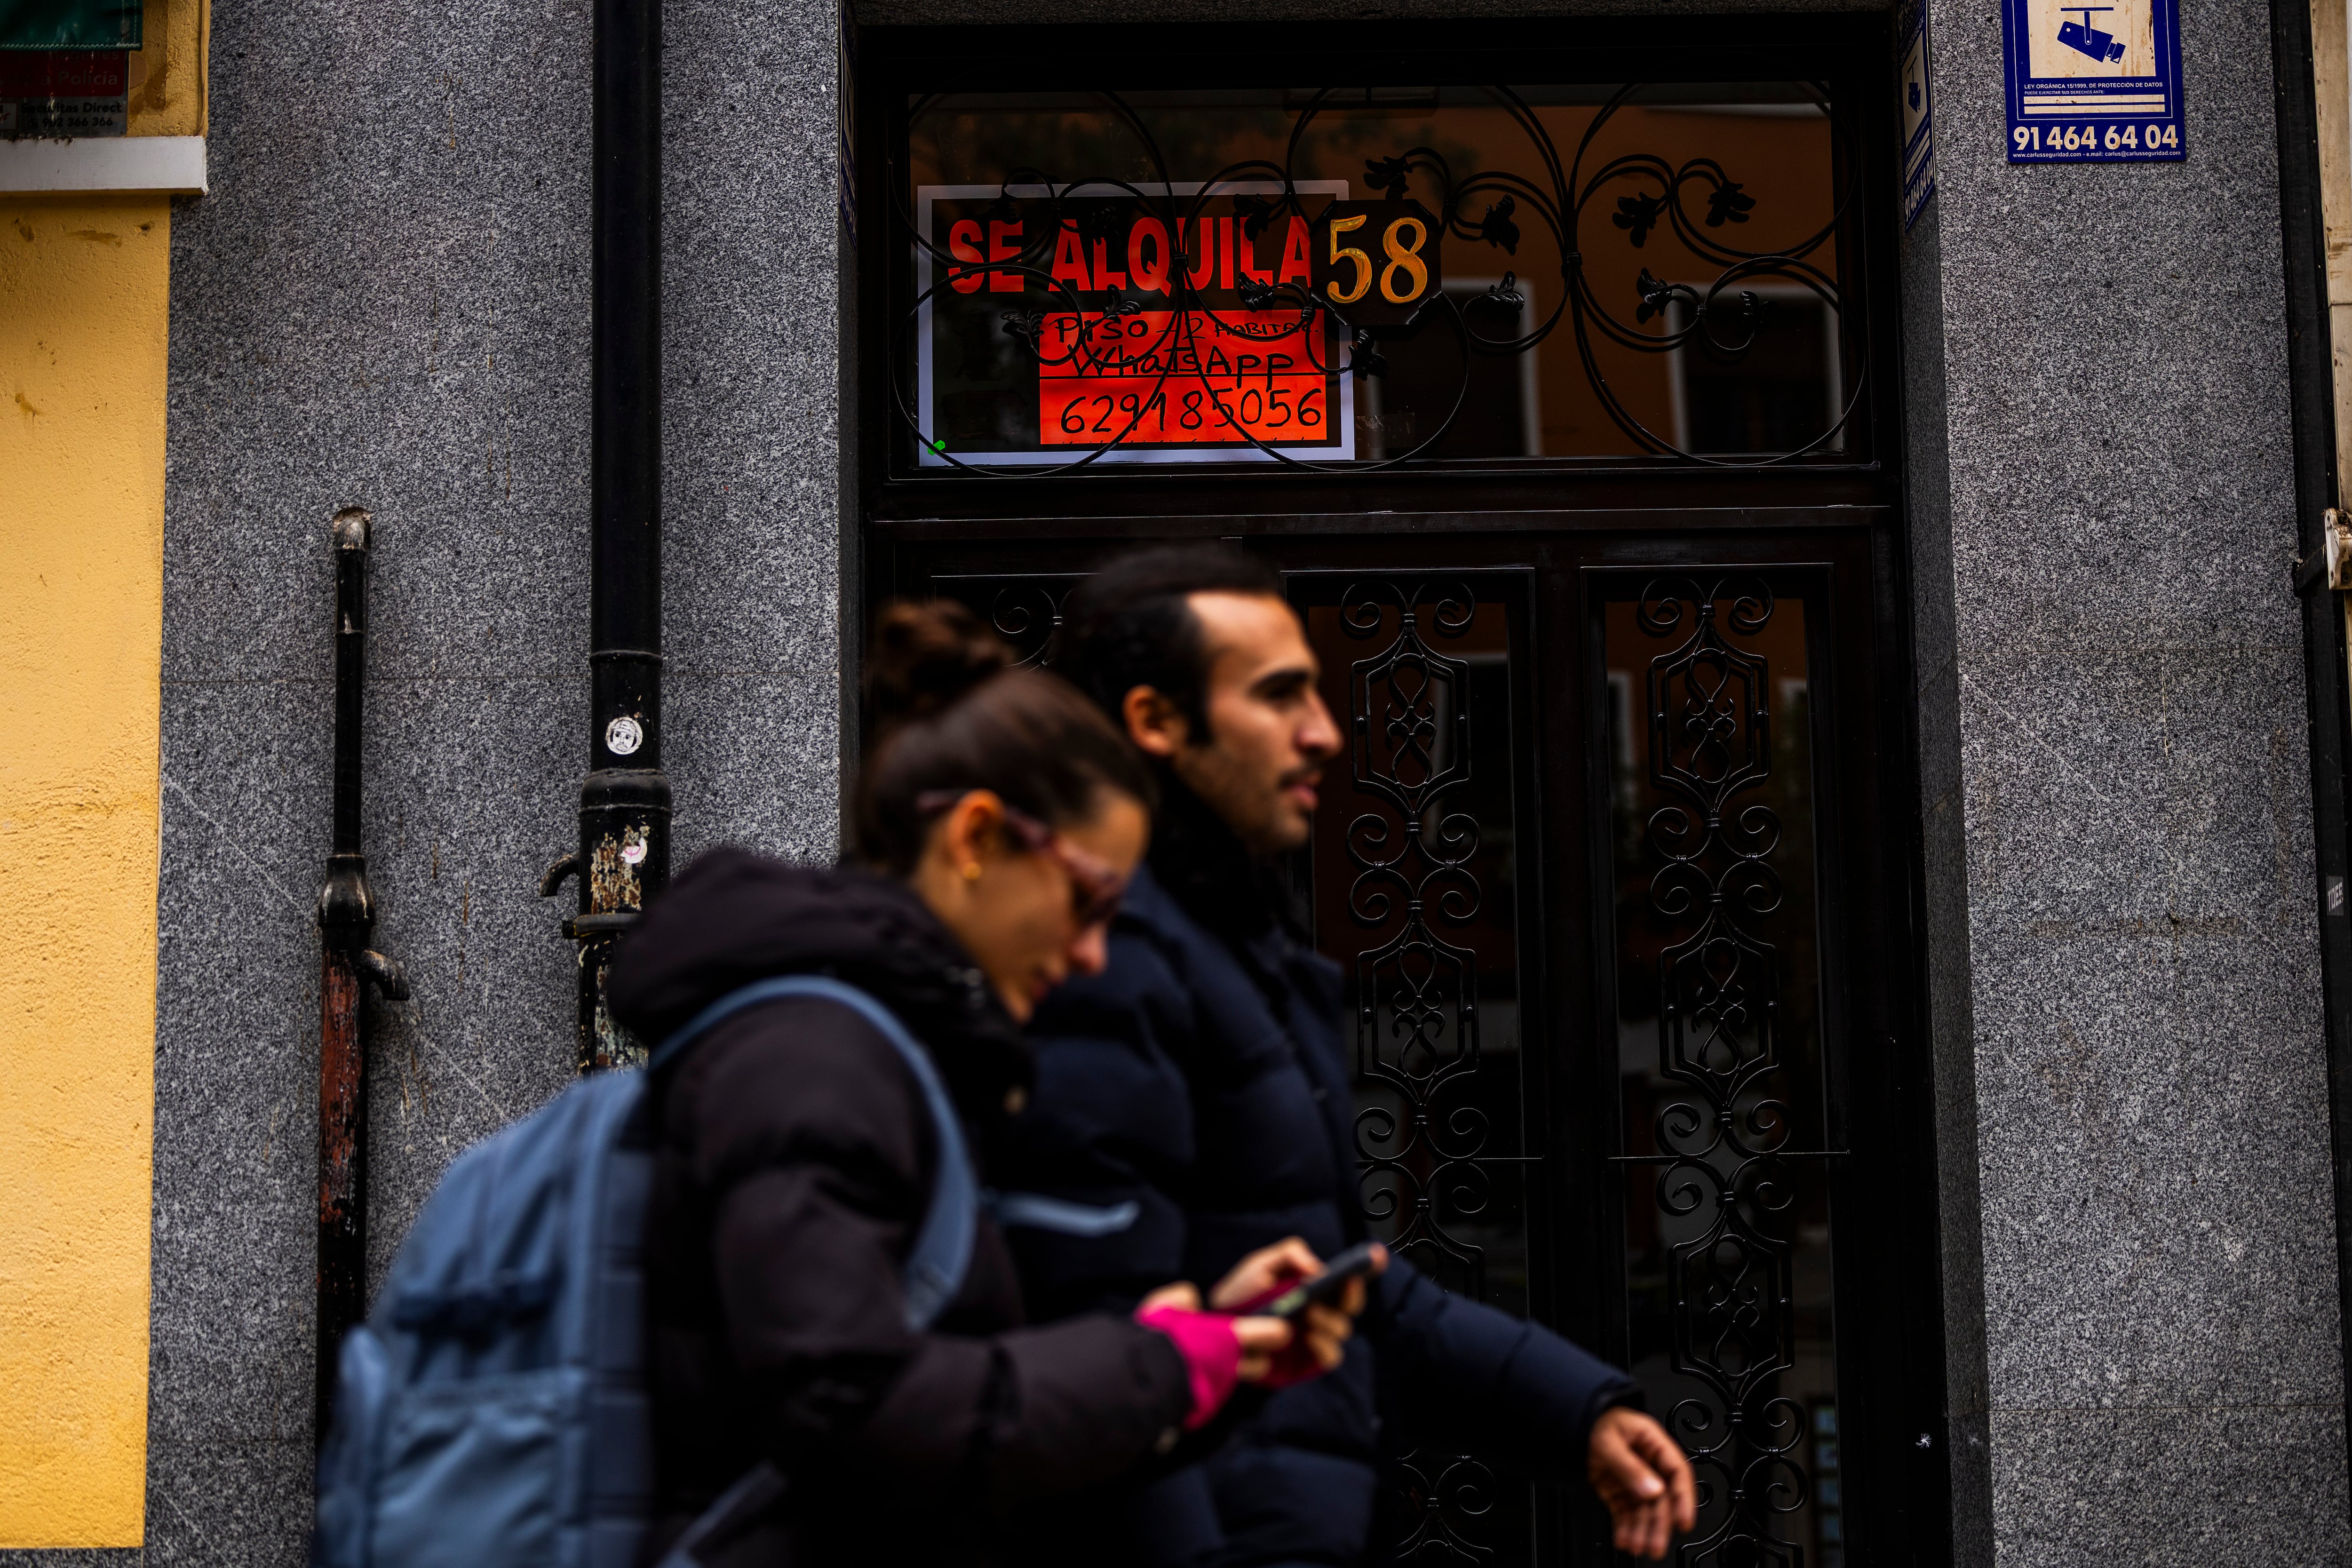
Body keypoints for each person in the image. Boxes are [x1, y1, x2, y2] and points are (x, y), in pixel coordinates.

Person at [607, 600, 1364, 1568]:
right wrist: (1158, 1361)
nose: (1096, 953)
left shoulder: (870, 1047)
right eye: (1090, 900)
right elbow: (852, 1405)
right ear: (974, 839)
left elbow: (940, 1414)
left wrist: (1206, 1351)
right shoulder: (817, 1056)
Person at [993, 546, 1701, 1565]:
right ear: (1154, 721)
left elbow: (1325, 1283)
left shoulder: (1229, 951)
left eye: (1317, 693)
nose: (1325, 733)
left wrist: (1572, 1409)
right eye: (1279, 696)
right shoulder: (1098, 969)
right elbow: (1103, 1359)